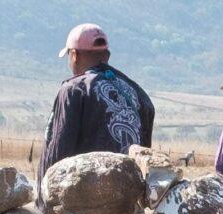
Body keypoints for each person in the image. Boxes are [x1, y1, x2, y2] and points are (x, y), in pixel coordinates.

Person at [39, 24, 154, 177]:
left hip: (87, 192)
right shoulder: (138, 93)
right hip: (131, 191)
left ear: (74, 55)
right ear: (107, 55)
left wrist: (44, 195)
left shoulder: (74, 89)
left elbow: (57, 157)